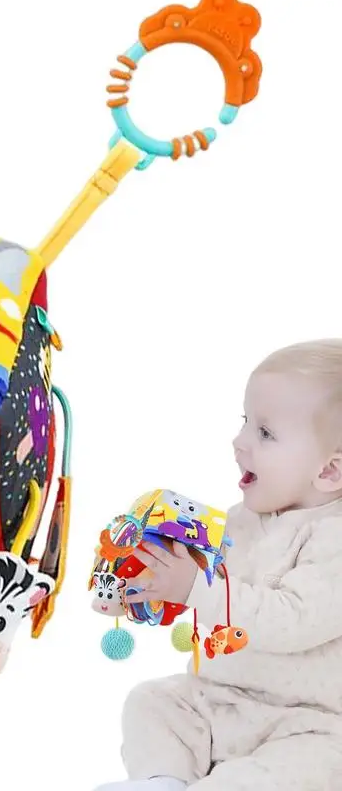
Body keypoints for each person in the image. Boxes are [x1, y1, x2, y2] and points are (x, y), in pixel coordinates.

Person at [95, 339, 342, 790]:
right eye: (245, 422)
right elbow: (195, 589)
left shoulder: (333, 538)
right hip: (217, 700)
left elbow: (291, 619)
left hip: (303, 724)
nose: (239, 442)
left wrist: (194, 587)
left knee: (307, 767)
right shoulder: (238, 521)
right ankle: (162, 779)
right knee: (152, 702)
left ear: (328, 472)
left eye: (265, 433)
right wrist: (139, 586)